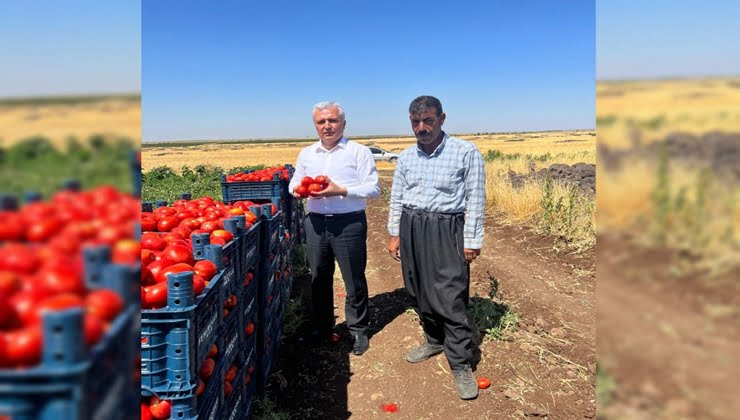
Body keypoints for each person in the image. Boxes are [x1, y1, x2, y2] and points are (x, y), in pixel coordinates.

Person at [386, 95, 486, 399]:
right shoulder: (405, 157)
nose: (421, 127)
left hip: (447, 227)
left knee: (450, 293)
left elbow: (476, 198)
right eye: (415, 121)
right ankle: (433, 339)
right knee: (417, 288)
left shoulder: (465, 152)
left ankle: (460, 361)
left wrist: (472, 240)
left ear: (441, 119)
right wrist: (395, 232)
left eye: (428, 120)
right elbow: (397, 196)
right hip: (412, 225)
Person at [289, 101, 381, 355]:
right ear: (315, 125)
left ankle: (358, 330)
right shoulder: (307, 154)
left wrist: (341, 190)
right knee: (318, 277)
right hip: (316, 223)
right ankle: (322, 327)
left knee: (354, 279)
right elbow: (295, 182)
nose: (327, 126)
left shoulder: (359, 152)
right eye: (322, 122)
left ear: (343, 123)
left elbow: (373, 187)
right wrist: (298, 191)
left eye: (332, 121)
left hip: (349, 223)